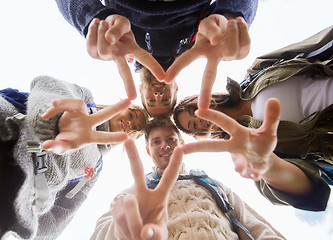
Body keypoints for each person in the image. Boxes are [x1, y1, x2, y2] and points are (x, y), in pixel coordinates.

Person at [175, 25, 333, 211]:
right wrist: (268, 165)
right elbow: (312, 194)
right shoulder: (245, 149)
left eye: (194, 110)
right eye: (194, 125)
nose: (201, 119)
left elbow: (314, 47)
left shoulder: (256, 71)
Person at [0, 75, 146, 239]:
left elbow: (63, 212)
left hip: (18, 202)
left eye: (135, 128)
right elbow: (46, 84)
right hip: (8, 130)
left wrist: (26, 230)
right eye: (131, 115)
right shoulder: (85, 102)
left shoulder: (94, 169)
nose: (130, 123)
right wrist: (55, 122)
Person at [90, 118, 286, 240]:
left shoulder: (212, 183)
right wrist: (122, 231)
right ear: (148, 150)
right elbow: (101, 233)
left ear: (181, 143)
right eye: (156, 142)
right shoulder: (136, 192)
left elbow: (253, 225)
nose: (164, 145)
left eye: (170, 139)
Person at [55, 0, 256, 113]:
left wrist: (92, 19)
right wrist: (232, 16)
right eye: (166, 100)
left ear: (141, 90)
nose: (159, 96)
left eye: (151, 101)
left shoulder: (119, 45)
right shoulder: (200, 42)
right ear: (175, 89)